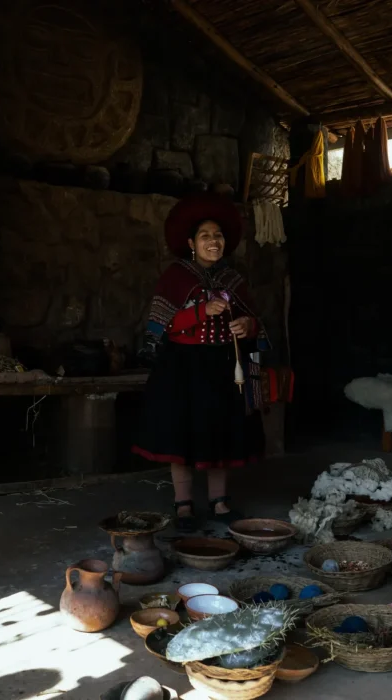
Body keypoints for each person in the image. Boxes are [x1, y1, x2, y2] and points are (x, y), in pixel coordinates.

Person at [132, 193, 270, 532]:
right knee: (183, 437)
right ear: (191, 243)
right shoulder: (176, 277)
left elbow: (256, 323)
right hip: (184, 368)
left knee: (219, 434)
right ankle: (183, 506)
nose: (214, 241)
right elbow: (163, 324)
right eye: (206, 235)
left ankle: (220, 503)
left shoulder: (233, 280)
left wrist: (247, 326)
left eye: (219, 235)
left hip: (224, 366)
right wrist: (199, 311)